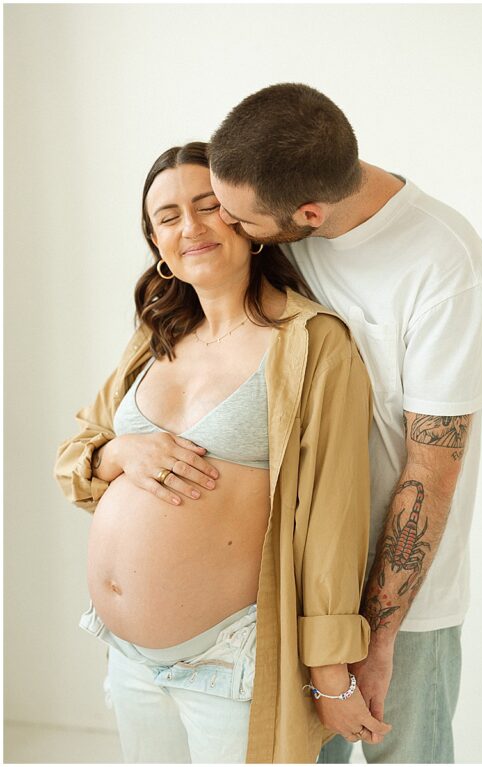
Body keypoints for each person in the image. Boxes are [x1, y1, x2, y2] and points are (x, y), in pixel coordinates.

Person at [54, 142, 388, 762]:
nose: (192, 228)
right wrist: (122, 452)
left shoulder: (313, 344)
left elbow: (333, 522)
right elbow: (78, 452)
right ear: (156, 243)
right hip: (126, 655)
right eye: (169, 216)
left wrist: (332, 672)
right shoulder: (156, 336)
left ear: (247, 221)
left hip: (230, 660)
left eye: (209, 206)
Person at [207, 83, 482, 764]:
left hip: (403, 603)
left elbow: (432, 467)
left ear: (309, 213)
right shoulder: (281, 211)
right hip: (295, 585)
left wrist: (379, 636)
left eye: (240, 219)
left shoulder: (445, 263)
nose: (226, 227)